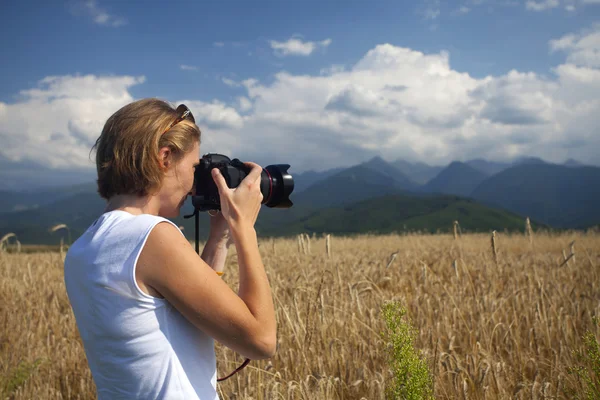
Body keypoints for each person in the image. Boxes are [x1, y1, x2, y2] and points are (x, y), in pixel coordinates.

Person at [64, 98, 276, 400]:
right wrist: (244, 228)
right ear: (165, 157)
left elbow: (187, 311)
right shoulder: (151, 237)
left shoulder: (83, 248)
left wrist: (218, 237)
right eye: (193, 166)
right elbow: (262, 341)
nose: (194, 185)